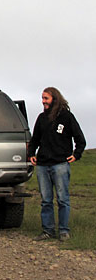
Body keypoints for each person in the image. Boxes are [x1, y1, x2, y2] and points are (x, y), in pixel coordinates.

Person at [28, 87, 86, 242]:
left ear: (55, 98)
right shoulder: (41, 118)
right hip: (42, 165)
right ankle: (48, 230)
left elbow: (80, 139)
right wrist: (31, 154)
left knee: (62, 199)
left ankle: (64, 231)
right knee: (46, 200)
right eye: (42, 98)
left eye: (46, 98)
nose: (43, 101)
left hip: (60, 164)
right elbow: (35, 140)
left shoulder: (66, 117)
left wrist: (76, 154)